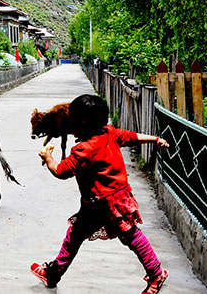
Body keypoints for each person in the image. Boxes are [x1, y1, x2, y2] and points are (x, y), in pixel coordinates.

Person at [31, 93, 170, 294]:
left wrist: (48, 157)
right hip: (114, 199)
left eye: (72, 118)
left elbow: (61, 171)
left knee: (121, 236)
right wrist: (155, 139)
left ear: (82, 122)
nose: (69, 123)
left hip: (104, 204)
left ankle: (157, 274)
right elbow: (131, 137)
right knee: (121, 236)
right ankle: (52, 274)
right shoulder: (109, 133)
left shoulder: (83, 150)